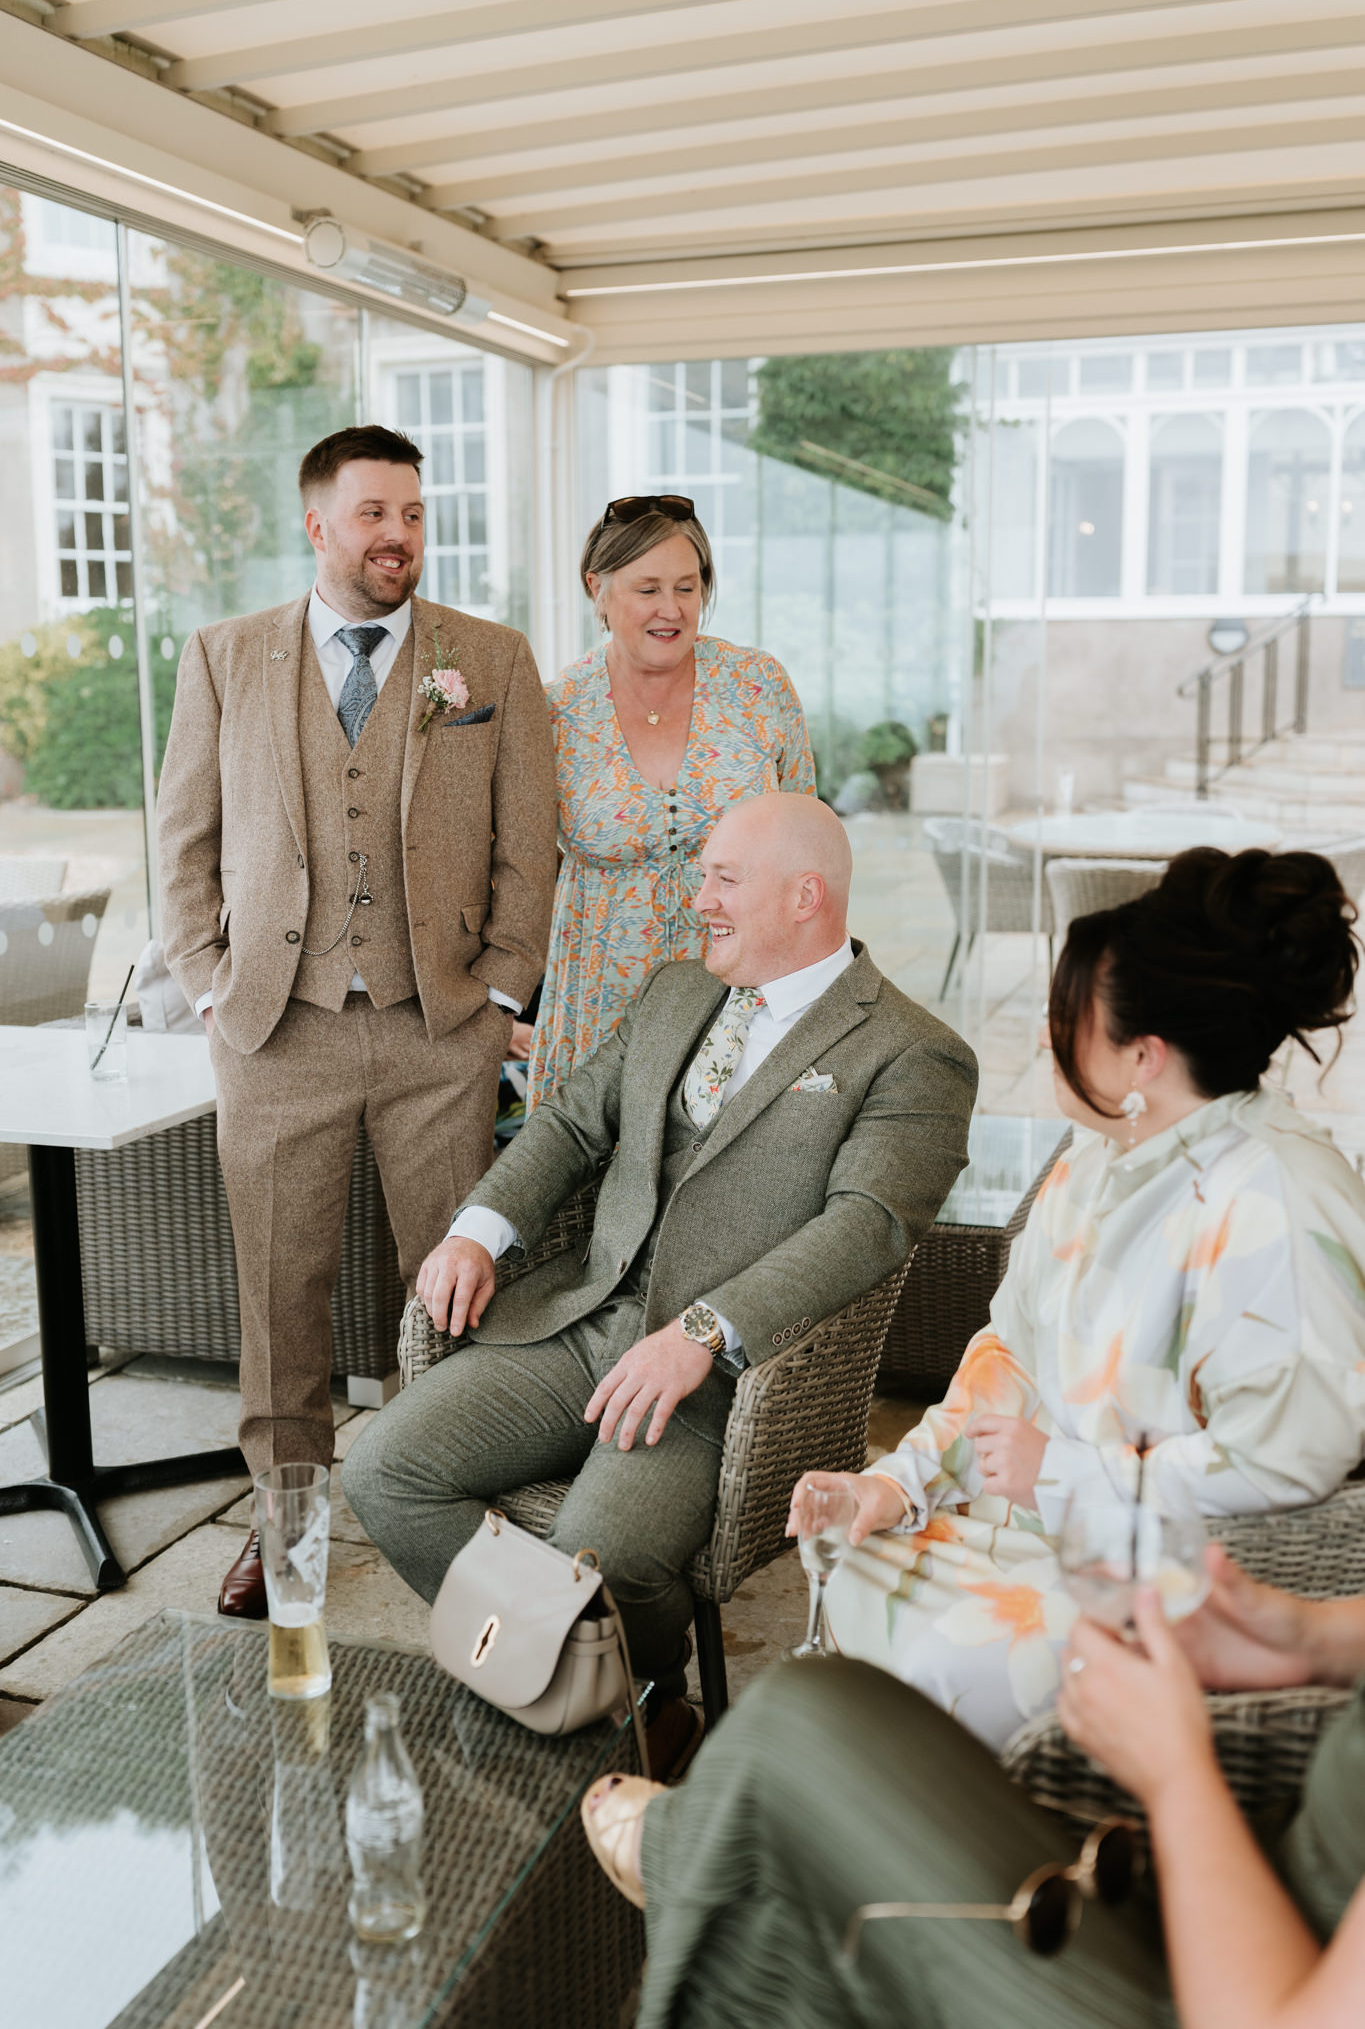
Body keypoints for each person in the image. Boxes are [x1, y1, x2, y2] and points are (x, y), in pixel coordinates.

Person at [342, 793, 977, 1772]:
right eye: (703, 874)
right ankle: (605, 1692)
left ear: (805, 895)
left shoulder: (912, 1051)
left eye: (724, 878)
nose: (700, 898)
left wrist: (704, 1331)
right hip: (582, 1318)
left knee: (603, 1551)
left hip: (726, 1374)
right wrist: (476, 1231)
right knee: (383, 1470)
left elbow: (868, 1226)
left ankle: (627, 1689)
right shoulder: (675, 991)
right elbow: (569, 1124)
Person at [806, 846, 1365, 1750]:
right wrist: (893, 1486)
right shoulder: (1096, 1157)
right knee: (853, 1558)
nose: (1042, 1035)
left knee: (943, 1655)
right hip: (1045, 1521)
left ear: (1142, 1058)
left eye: (1064, 1017)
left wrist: (1063, 1476)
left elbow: (1285, 1468)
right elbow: (1010, 1354)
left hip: (1182, 1574)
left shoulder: (1280, 1200)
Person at [157, 424, 557, 1617]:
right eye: (375, 513)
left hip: (441, 1028)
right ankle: (287, 1531)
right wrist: (209, 981)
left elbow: (529, 841)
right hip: (276, 1032)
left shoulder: (489, 657)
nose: (400, 535)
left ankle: (443, 1521)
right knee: (282, 1300)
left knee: (450, 1295)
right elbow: (182, 838)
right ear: (319, 525)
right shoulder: (225, 656)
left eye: (414, 513)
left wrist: (499, 989)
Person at [580, 1545, 1365, 2028]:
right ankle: (712, 1852)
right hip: (1266, 1874)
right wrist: (1315, 1642)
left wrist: (1176, 1775)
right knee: (819, 1735)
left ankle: (697, 1852)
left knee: (794, 1726)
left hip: (1215, 1987)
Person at [526, 493, 815, 1106]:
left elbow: (808, 843)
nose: (672, 609)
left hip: (743, 1005)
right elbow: (514, 863)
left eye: (687, 587)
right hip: (601, 1010)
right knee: (595, 1164)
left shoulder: (758, 686)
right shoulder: (555, 712)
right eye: (648, 589)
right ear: (597, 588)